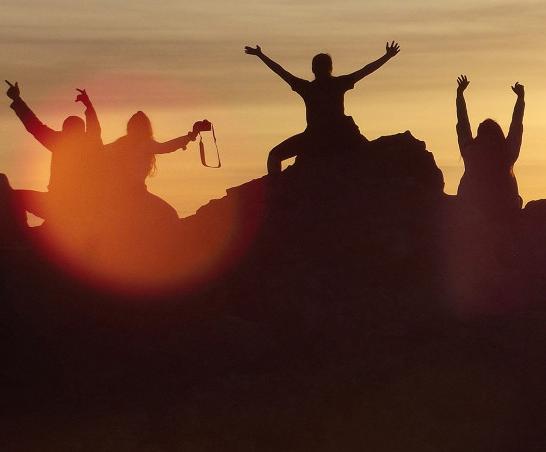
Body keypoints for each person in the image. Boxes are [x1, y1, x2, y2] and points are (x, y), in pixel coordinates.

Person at [244, 42, 401, 174]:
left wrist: (261, 55)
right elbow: (366, 70)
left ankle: (275, 191)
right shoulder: (339, 83)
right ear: (331, 68)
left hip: (315, 138)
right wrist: (387, 56)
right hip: (342, 135)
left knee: (274, 155)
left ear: (313, 69)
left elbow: (281, 72)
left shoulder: (307, 88)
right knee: (371, 155)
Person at [5, 81, 103, 224]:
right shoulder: (88, 142)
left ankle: (21, 233)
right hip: (63, 204)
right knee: (15, 197)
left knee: (14, 197)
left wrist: (17, 100)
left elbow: (34, 125)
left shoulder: (60, 143)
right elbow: (94, 129)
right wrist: (88, 106)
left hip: (61, 205)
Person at [103, 111, 203, 222]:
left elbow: (100, 150)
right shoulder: (145, 144)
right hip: (136, 193)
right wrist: (190, 136)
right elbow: (166, 147)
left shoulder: (120, 143)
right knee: (170, 215)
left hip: (118, 192)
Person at [455, 75, 525, 219]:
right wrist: (520, 99)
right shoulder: (506, 153)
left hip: (471, 208)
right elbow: (516, 126)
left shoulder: (471, 152)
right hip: (505, 209)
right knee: (519, 200)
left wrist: (460, 95)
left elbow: (462, 124)